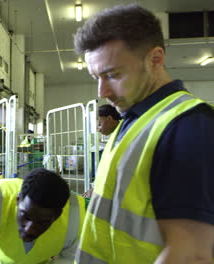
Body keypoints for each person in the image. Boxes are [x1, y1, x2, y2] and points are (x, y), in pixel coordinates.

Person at [73, 4, 214, 263]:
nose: (102, 92)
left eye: (113, 75)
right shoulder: (133, 121)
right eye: (96, 78)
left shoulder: (187, 127)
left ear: (155, 59)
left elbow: (191, 254)